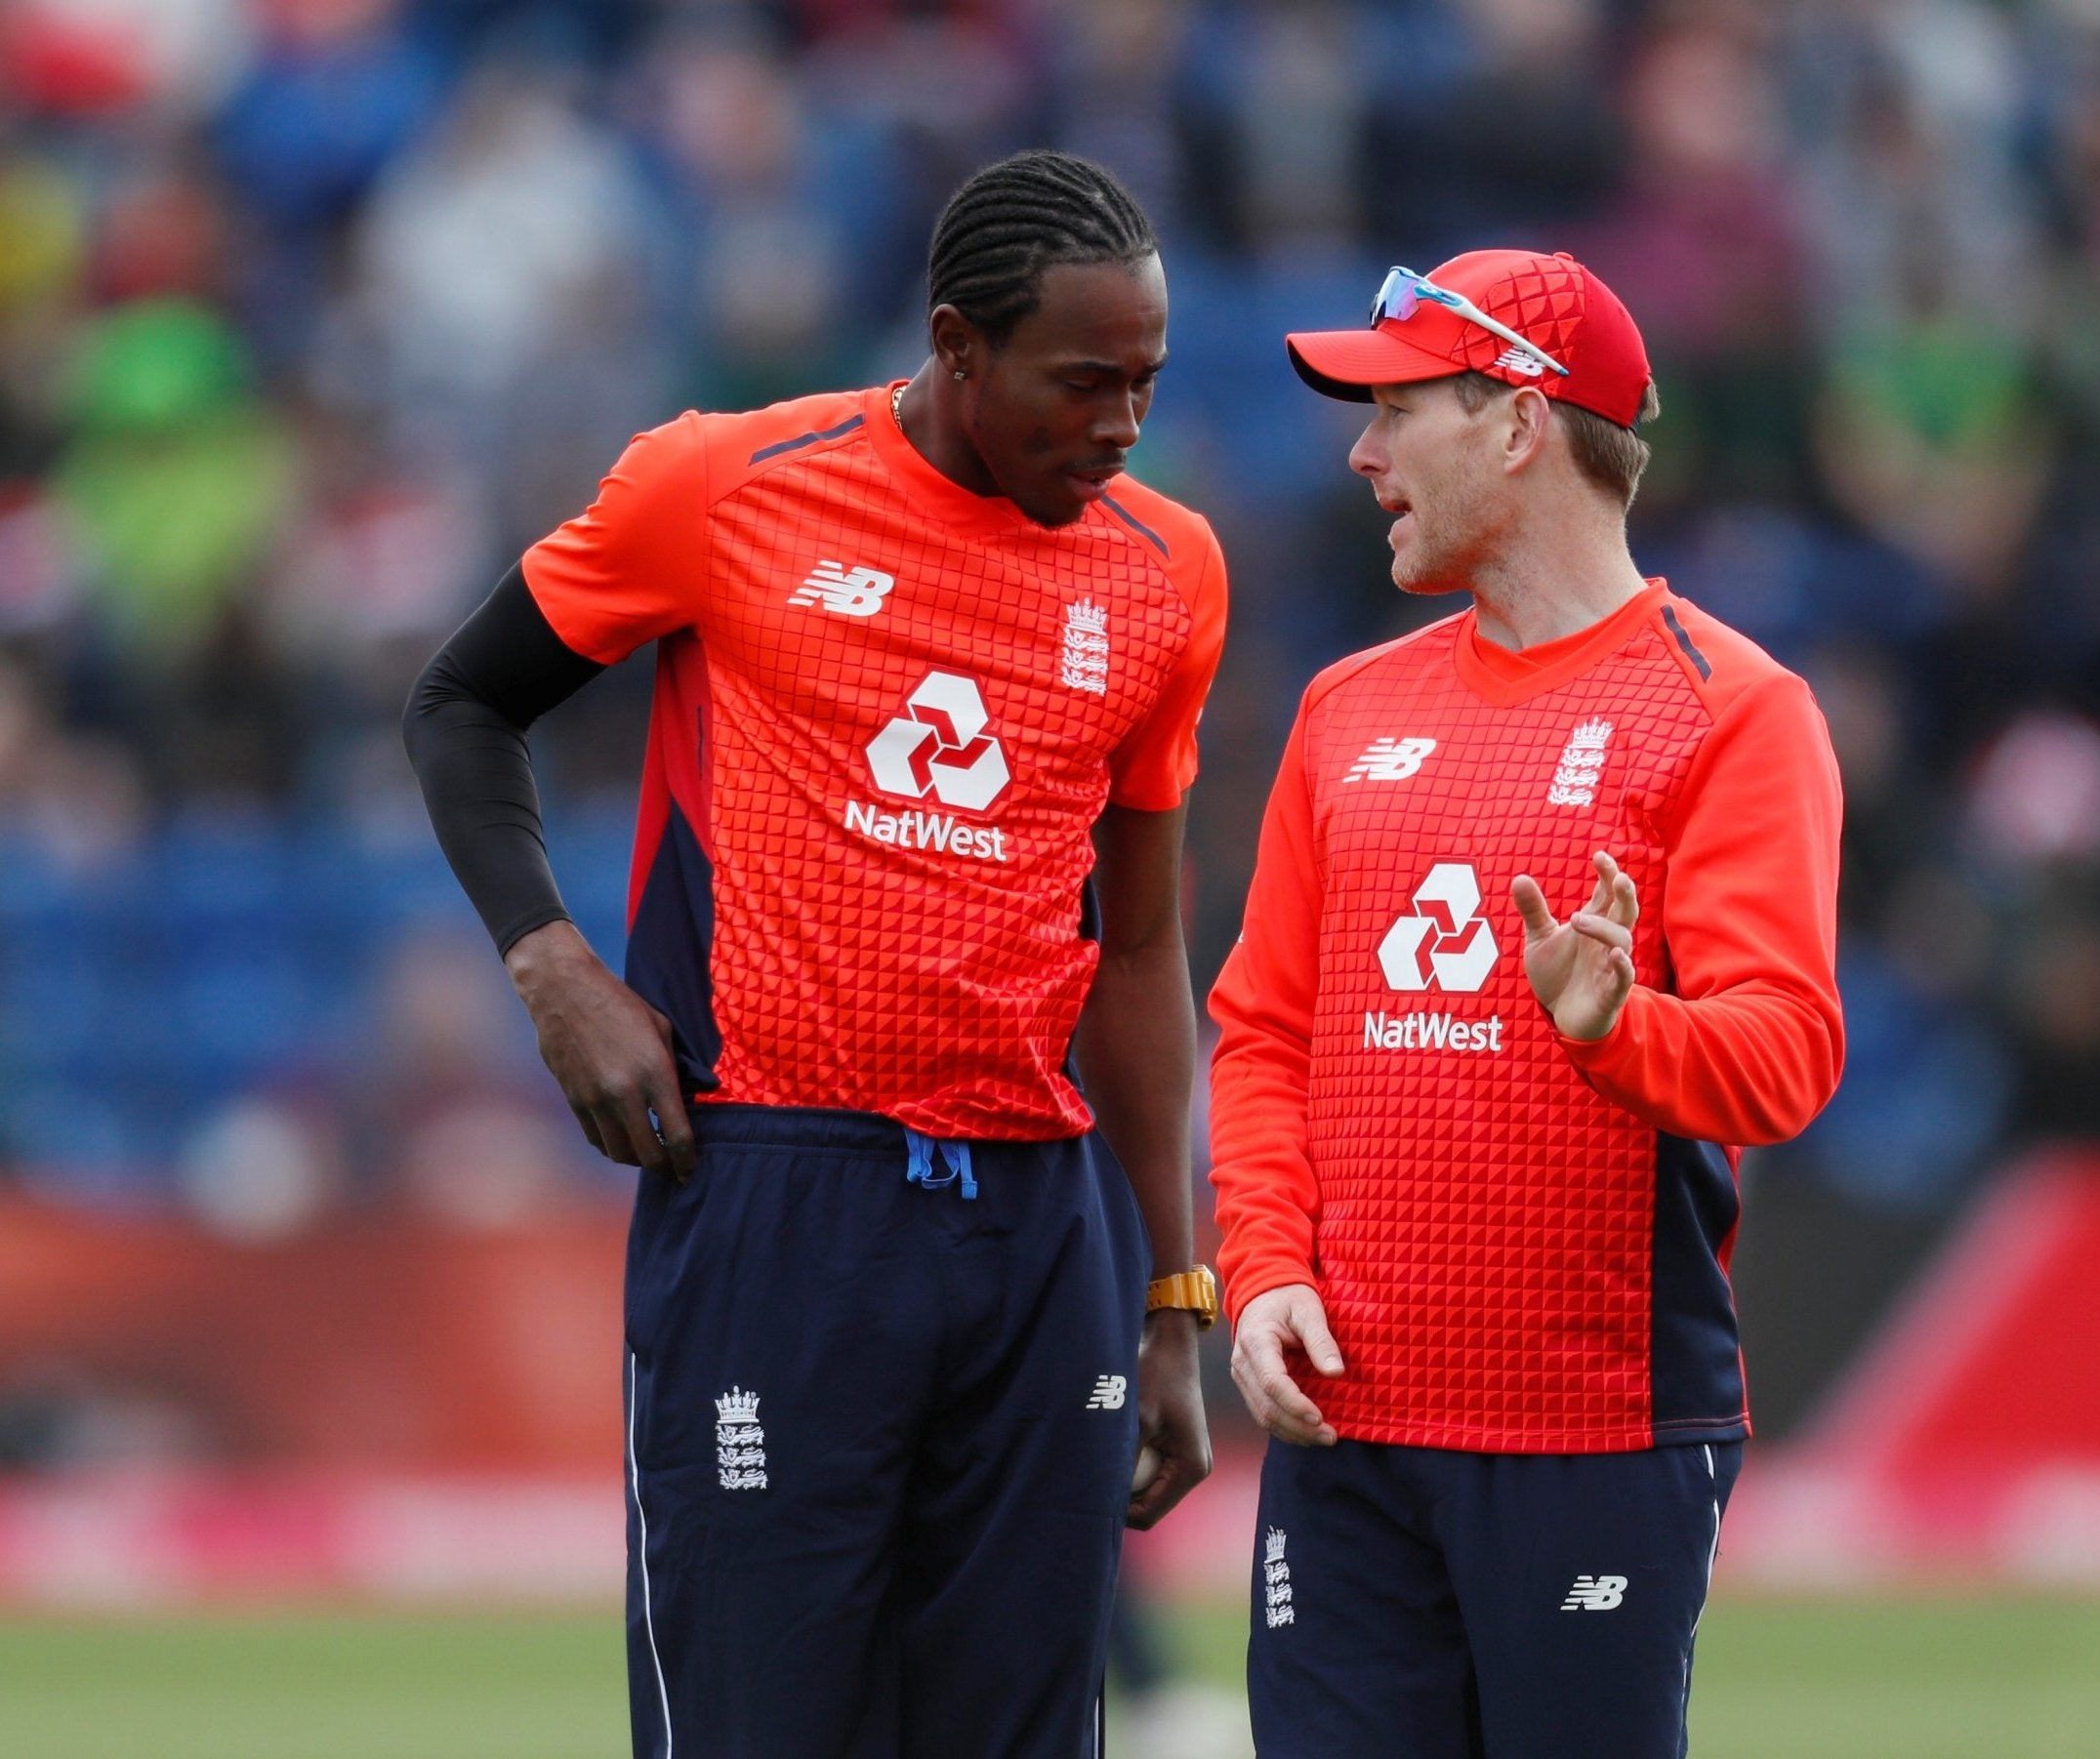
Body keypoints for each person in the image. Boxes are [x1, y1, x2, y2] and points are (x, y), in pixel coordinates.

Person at [404, 149, 1224, 1759]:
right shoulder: (727, 483)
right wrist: (552, 967)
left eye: (1145, 382)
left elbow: (1139, 954)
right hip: (779, 1191)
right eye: (1082, 383)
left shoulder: (1166, 568)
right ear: (955, 343)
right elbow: (459, 703)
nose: (1121, 424)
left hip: (1040, 1222)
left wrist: (1173, 1295)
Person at [1209, 250, 1844, 1758]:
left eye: (1393, 409)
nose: (1360, 452)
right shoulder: (1340, 709)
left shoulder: (1731, 709)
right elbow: (1263, 1034)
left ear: (1514, 423)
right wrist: (1261, 1264)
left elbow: (1786, 1057)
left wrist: (1612, 1026)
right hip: (1344, 1430)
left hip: (1594, 1430)